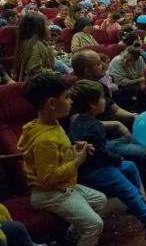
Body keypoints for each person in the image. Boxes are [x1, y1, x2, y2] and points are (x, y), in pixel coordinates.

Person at [71, 50, 146, 216]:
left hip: (121, 137)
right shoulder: (76, 92)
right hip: (102, 143)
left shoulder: (101, 87)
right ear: (87, 71)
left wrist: (136, 117)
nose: (104, 65)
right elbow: (79, 122)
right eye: (98, 63)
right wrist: (116, 124)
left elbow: (116, 110)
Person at [67, 80, 146, 241]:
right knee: (127, 190)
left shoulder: (80, 122)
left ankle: (136, 205)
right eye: (102, 98)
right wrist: (117, 159)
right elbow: (102, 155)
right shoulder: (94, 126)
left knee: (130, 167)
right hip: (96, 169)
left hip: (94, 165)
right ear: (92, 104)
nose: (105, 101)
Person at [17, 73, 107, 246]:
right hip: (48, 193)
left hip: (62, 186)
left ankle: (71, 239)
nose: (71, 101)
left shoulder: (51, 124)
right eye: (66, 97)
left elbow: (58, 155)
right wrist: (77, 162)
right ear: (52, 103)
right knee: (95, 225)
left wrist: (73, 149)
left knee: (100, 199)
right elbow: (47, 178)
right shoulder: (45, 139)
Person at [13, 14, 55, 81]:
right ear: (39, 29)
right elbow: (34, 70)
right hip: (37, 84)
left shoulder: (40, 44)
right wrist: (53, 73)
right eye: (46, 25)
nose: (49, 28)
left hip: (44, 80)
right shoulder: (34, 45)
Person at [108, 46, 146, 113]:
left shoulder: (139, 59)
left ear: (135, 60)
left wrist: (142, 84)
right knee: (136, 89)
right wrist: (140, 80)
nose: (125, 61)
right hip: (116, 88)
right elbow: (122, 82)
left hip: (133, 84)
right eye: (124, 57)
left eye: (129, 60)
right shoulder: (117, 61)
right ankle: (136, 113)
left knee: (145, 88)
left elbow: (143, 73)